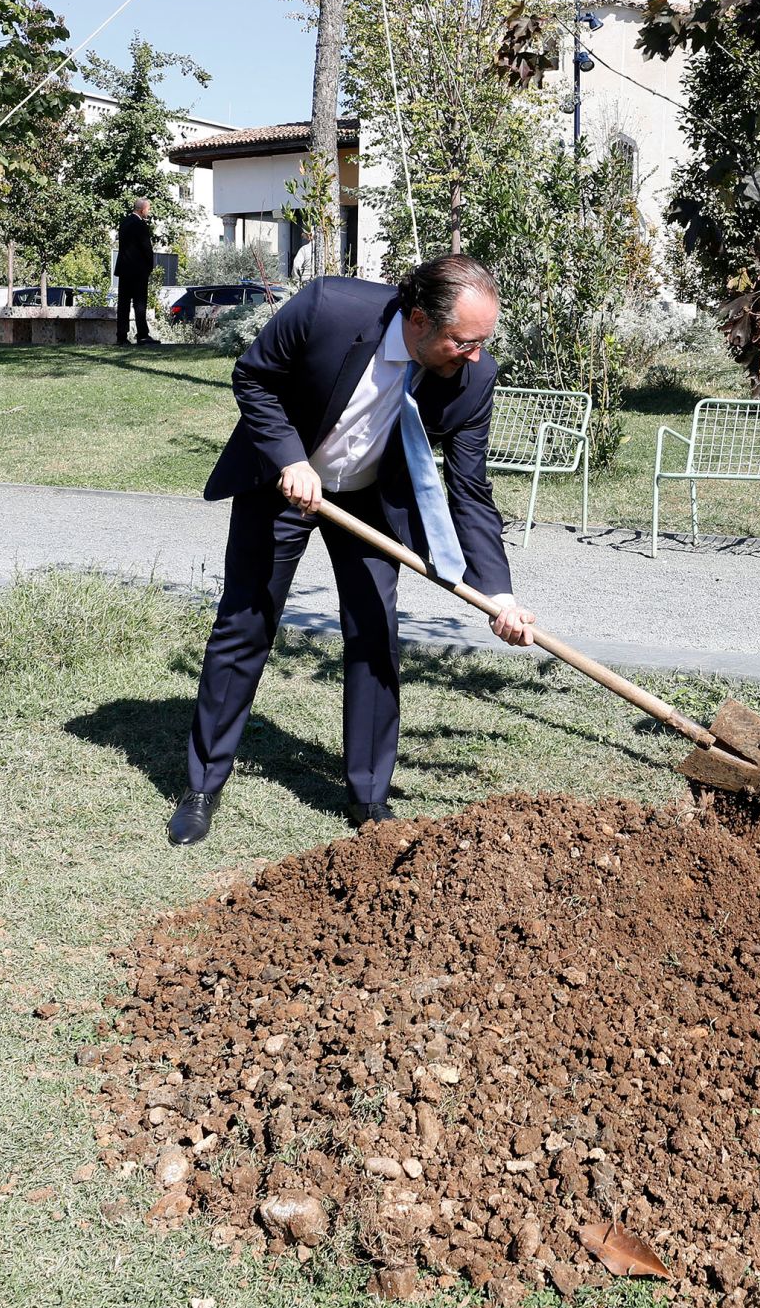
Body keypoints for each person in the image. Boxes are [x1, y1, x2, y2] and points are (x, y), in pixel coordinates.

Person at [167, 253, 537, 846]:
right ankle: (202, 786)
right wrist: (290, 458)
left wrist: (500, 595)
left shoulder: (473, 379)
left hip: (370, 501)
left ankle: (369, 799)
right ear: (419, 319)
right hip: (283, 481)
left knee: (373, 633)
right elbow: (254, 377)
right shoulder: (328, 309)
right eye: (463, 341)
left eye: (481, 342)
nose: (474, 355)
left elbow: (470, 490)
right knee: (246, 623)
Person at [115, 198, 157, 346]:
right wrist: (149, 266)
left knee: (123, 304)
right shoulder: (140, 224)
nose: (148, 212)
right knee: (140, 304)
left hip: (124, 269)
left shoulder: (124, 223)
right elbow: (146, 248)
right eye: (148, 209)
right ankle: (142, 335)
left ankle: (121, 336)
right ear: (142, 209)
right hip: (138, 270)